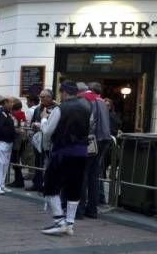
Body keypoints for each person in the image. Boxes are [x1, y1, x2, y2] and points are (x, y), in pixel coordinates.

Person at [40, 81, 91, 236]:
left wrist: (43, 120)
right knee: (74, 187)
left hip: (62, 153)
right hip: (82, 153)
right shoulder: (87, 108)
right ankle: (70, 223)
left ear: (64, 93)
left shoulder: (60, 109)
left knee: (50, 186)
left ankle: (59, 221)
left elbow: (48, 132)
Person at [77, 81, 111, 219]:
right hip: (104, 139)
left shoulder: (88, 100)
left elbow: (90, 121)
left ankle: (80, 209)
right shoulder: (102, 101)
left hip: (92, 140)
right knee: (94, 175)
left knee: (83, 175)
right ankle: (92, 209)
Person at [27, 89, 58, 192]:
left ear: (50, 97)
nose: (41, 100)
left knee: (48, 164)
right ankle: (37, 183)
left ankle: (46, 185)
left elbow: (53, 126)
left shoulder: (56, 109)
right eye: (40, 97)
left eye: (43, 97)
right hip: (38, 141)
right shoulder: (38, 109)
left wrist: (41, 124)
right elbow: (33, 122)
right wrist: (34, 125)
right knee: (37, 162)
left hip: (50, 142)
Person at [7, 98, 26, 188]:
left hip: (17, 142)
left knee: (16, 161)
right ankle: (18, 180)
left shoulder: (16, 115)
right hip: (21, 140)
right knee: (16, 161)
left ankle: (19, 181)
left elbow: (16, 128)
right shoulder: (22, 114)